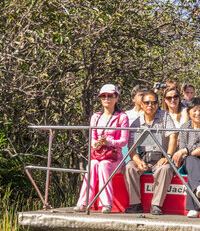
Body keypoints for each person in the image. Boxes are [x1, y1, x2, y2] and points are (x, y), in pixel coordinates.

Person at [75, 84, 129, 213]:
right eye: (103, 96)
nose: (107, 99)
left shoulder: (122, 117)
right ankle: (84, 202)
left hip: (114, 157)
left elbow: (124, 141)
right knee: (93, 164)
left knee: (104, 165)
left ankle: (106, 204)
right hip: (98, 155)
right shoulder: (96, 117)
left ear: (116, 98)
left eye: (110, 96)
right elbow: (92, 138)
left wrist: (108, 142)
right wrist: (96, 144)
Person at [124, 90, 177, 215]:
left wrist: (168, 156)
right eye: (147, 102)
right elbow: (131, 147)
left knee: (165, 169)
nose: (150, 105)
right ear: (141, 104)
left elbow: (173, 136)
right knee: (129, 168)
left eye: (153, 102)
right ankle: (135, 204)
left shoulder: (165, 116)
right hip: (143, 159)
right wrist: (137, 161)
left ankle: (156, 205)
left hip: (160, 158)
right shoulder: (136, 123)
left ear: (158, 104)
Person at [171, 97, 200, 218]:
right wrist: (191, 152)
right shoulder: (185, 127)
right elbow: (183, 151)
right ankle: (199, 187)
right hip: (190, 161)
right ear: (189, 112)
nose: (197, 113)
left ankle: (194, 208)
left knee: (193, 169)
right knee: (191, 160)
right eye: (194, 110)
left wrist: (187, 150)